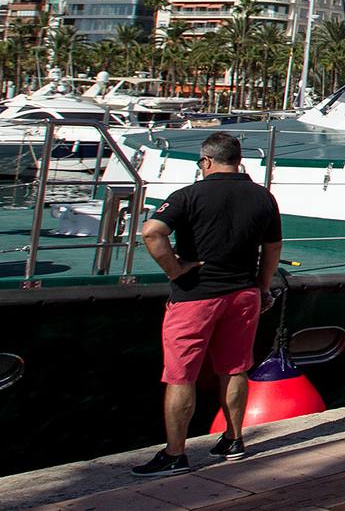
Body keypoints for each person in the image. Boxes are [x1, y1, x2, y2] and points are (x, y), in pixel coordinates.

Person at [133, 132, 283, 477]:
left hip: (195, 295)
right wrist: (262, 287)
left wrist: (175, 269)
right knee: (234, 368)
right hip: (243, 293)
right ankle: (233, 440)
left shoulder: (188, 196)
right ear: (239, 160)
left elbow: (152, 232)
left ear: (206, 162)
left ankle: (175, 454)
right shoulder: (263, 197)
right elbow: (273, 247)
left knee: (180, 375)